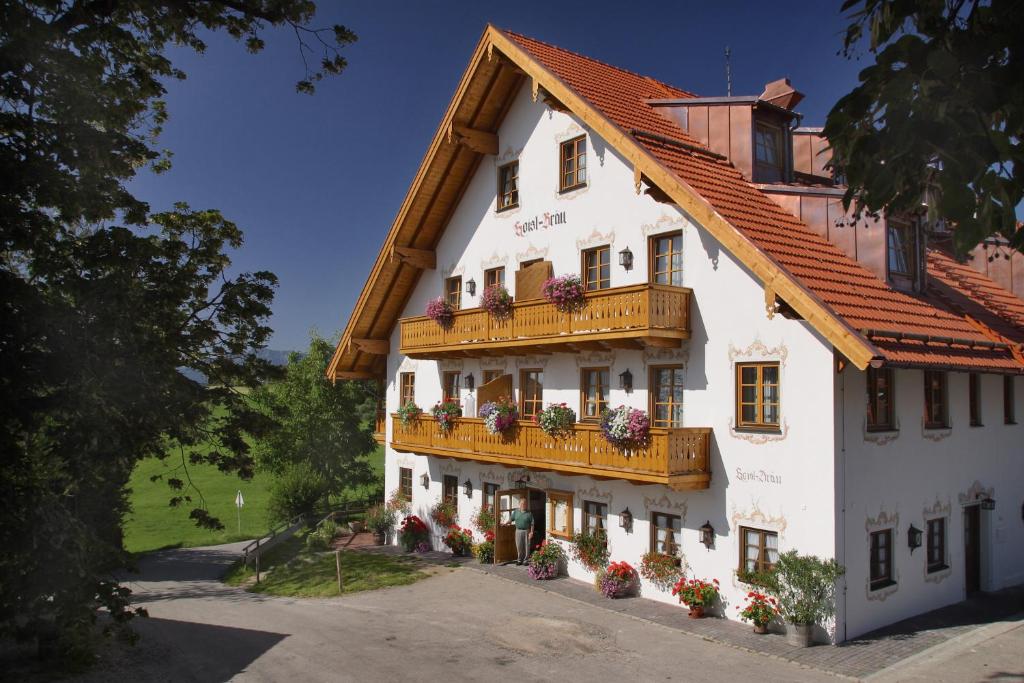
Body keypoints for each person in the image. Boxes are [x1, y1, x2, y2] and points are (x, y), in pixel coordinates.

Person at [509, 497, 534, 565]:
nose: (524, 505)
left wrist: (531, 532)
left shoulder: (529, 513)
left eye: (525, 503)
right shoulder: (516, 512)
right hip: (518, 531)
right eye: (522, 503)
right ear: (519, 504)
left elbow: (532, 524)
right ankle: (519, 559)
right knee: (519, 545)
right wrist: (505, 523)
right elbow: (511, 519)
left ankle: (526, 560)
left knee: (527, 546)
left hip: (527, 531)